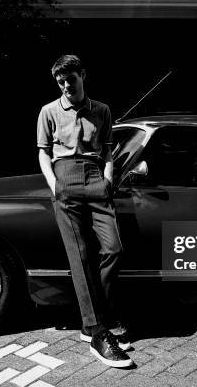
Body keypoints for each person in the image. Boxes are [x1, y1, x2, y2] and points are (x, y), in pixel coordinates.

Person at [37, 55, 133, 368]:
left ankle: (97, 316)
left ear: (83, 76)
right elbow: (43, 153)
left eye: (71, 79)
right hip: (64, 176)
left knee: (113, 249)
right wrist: (54, 185)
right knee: (78, 255)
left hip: (95, 178)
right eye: (60, 82)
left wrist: (106, 178)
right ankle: (97, 331)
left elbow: (106, 149)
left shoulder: (102, 110)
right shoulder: (48, 111)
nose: (66, 86)